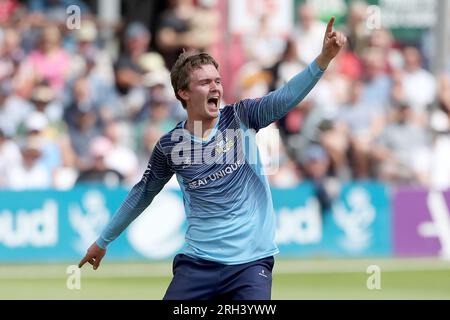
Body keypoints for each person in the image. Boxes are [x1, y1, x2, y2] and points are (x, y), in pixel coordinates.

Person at [78, 17, 346, 300]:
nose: (216, 87)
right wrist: (103, 240)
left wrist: (323, 60)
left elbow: (285, 97)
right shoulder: (170, 146)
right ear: (183, 92)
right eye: (205, 82)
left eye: (217, 81)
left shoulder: (241, 116)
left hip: (250, 264)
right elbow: (142, 193)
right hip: (197, 265)